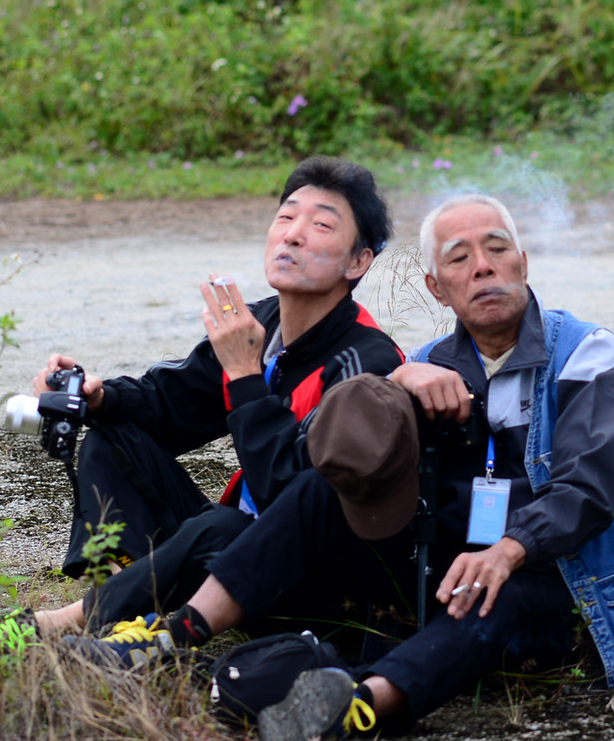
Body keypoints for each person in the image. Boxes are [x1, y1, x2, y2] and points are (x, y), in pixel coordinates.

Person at [66, 194, 614, 741]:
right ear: (436, 288)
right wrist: (397, 380)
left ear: (523, 264)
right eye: (459, 258)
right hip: (440, 571)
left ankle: (360, 705)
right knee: (316, 493)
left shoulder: (585, 352)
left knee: (491, 594)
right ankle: (171, 635)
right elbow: (346, 471)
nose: (483, 266)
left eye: (497, 250)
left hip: (568, 585)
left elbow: (587, 492)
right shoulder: (426, 364)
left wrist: (506, 550)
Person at [32, 157, 403, 635]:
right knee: (116, 436)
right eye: (286, 217)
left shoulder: (368, 363)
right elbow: (169, 407)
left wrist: (245, 375)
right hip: (232, 546)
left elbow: (291, 498)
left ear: (358, 261)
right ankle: (130, 605)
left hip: (310, 578)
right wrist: (97, 397)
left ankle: (69, 621)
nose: (292, 235)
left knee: (224, 529)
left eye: (321, 225)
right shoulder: (261, 324)